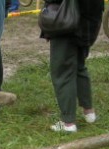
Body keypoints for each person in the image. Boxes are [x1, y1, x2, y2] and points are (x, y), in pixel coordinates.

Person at [43, 0, 103, 133]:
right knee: (79, 67)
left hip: (67, 25)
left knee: (62, 73)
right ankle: (89, 113)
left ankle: (68, 123)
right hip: (88, 24)